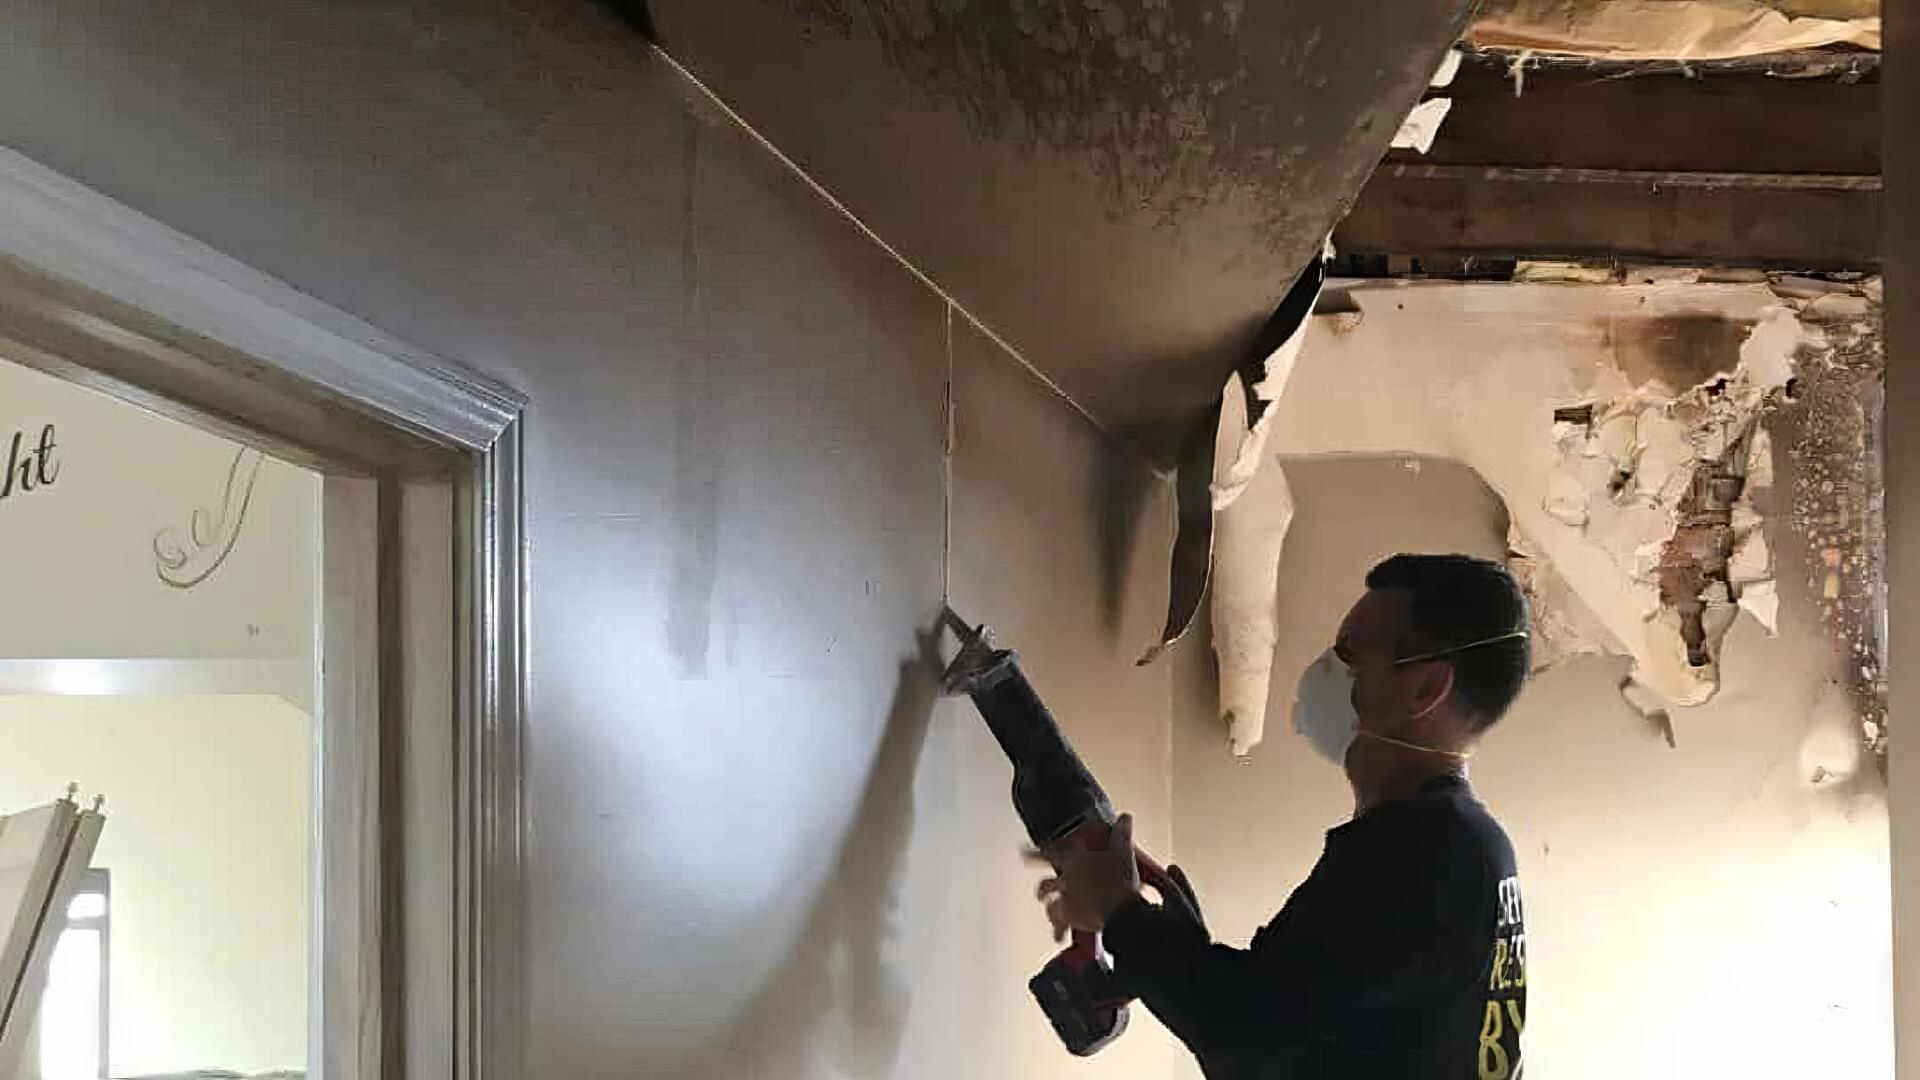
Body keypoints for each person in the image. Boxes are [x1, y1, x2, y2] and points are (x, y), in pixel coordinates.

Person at [1034, 553, 1532, 1079]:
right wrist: (1176, 950)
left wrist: (1120, 912)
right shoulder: (1467, 847)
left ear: (1426, 689)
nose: (1325, 671)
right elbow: (1279, 1026)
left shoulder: (1422, 852)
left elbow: (1244, 1030)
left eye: (1350, 653)